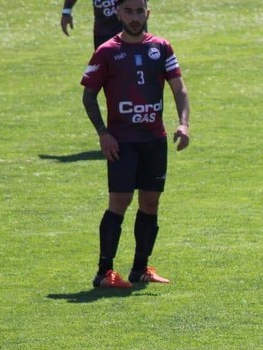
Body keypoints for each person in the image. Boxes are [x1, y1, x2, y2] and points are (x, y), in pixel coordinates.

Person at [80, 0, 190, 289]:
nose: (134, 17)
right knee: (120, 201)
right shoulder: (107, 51)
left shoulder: (161, 47)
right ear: (118, 13)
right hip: (123, 142)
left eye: (139, 11)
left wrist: (183, 123)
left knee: (151, 202)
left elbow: (179, 88)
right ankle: (104, 272)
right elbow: (88, 96)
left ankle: (140, 269)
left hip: (154, 140)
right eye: (128, 11)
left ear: (147, 13)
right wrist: (103, 134)